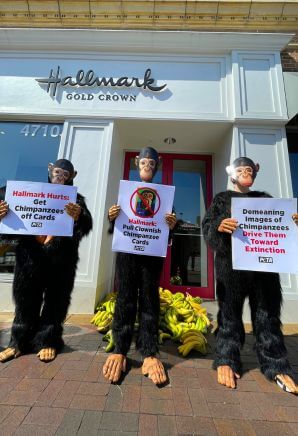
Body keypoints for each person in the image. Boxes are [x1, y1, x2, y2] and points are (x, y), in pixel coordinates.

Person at [202, 156, 298, 394]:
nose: (246, 173)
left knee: (268, 318)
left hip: (263, 270)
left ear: (256, 171)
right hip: (231, 270)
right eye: (241, 169)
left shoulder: (265, 199)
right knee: (229, 317)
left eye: (249, 170)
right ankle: (226, 358)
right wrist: (218, 227)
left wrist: (293, 222)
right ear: (232, 173)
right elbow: (207, 229)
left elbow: (282, 229)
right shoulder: (222, 199)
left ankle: (276, 364)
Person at [0, 159, 92, 362]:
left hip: (61, 260)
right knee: (25, 301)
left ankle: (48, 340)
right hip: (30, 257)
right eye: (57, 172)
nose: (60, 177)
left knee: (56, 302)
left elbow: (86, 226)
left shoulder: (75, 199)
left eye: (64, 174)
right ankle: (18, 342)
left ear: (72, 177)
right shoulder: (28, 193)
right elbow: (12, 226)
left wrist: (79, 217)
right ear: (50, 170)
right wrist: (3, 215)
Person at [103, 147, 176, 385]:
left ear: (157, 166)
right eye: (143, 162)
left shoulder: (163, 197)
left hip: (151, 257)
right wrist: (113, 217)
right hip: (128, 255)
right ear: (136, 163)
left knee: (149, 300)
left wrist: (172, 224)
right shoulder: (127, 194)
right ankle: (120, 348)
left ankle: (149, 350)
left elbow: (168, 230)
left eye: (151, 163)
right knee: (124, 298)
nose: (147, 166)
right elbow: (118, 229)